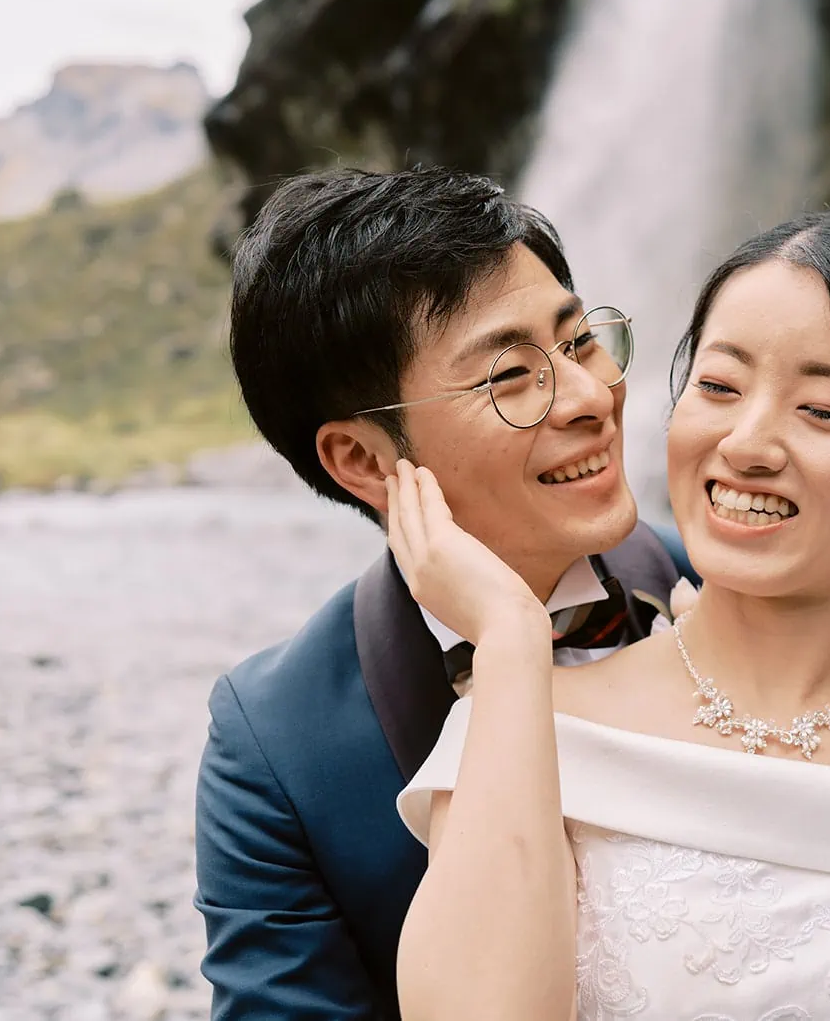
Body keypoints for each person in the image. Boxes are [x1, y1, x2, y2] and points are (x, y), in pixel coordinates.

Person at [392, 210, 830, 1020]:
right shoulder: (525, 722)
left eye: (826, 411)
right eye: (720, 387)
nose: (747, 444)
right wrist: (511, 639)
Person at [193, 166, 698, 1019]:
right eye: (509, 375)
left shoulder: (721, 587)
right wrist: (509, 637)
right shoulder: (276, 741)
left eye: (579, 341)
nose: (591, 398)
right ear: (362, 459)